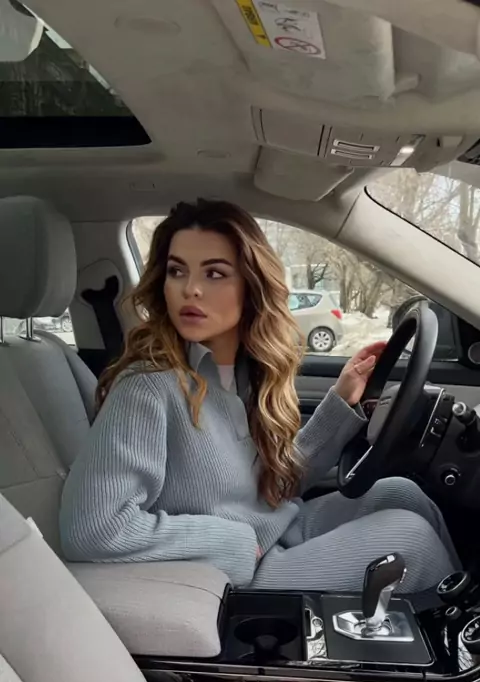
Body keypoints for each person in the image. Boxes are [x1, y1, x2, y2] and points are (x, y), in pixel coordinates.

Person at [60, 199, 460, 592]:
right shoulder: (147, 387)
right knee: (411, 539)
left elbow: (274, 485)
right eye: (177, 271)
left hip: (276, 529)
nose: (190, 289)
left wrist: (341, 399)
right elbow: (94, 527)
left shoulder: (244, 373)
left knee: (402, 494)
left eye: (214, 273)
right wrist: (229, 542)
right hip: (236, 568)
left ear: (252, 287)